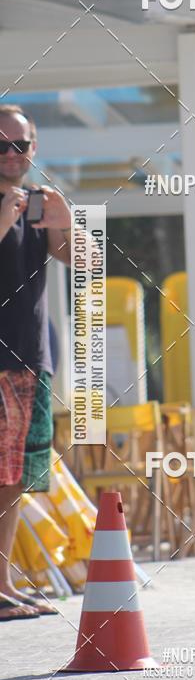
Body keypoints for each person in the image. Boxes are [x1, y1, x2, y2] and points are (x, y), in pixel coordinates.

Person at [0, 103, 71, 621]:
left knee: (15, 479)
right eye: (1, 146)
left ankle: (3, 585)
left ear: (34, 148)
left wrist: (66, 226)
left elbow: (82, 261)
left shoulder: (40, 204)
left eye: (19, 145)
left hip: (31, 357)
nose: (10, 154)